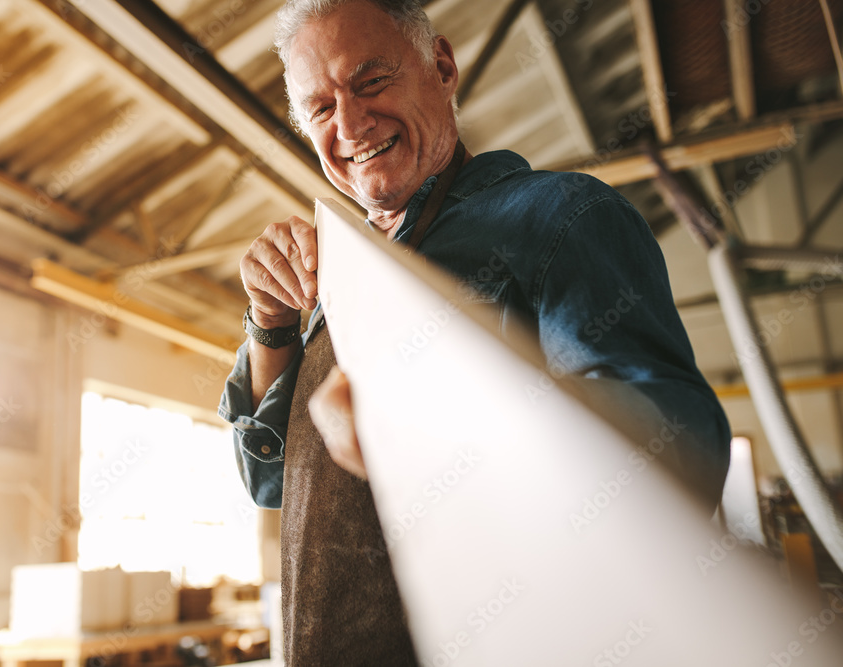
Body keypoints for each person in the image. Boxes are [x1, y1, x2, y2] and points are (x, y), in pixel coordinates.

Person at [218, 1, 731, 664]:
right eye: (320, 108)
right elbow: (274, 487)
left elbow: (681, 460)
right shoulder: (335, 278)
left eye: (371, 82)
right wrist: (271, 321)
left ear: (442, 65)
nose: (350, 123)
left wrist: (443, 427)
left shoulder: (559, 217)